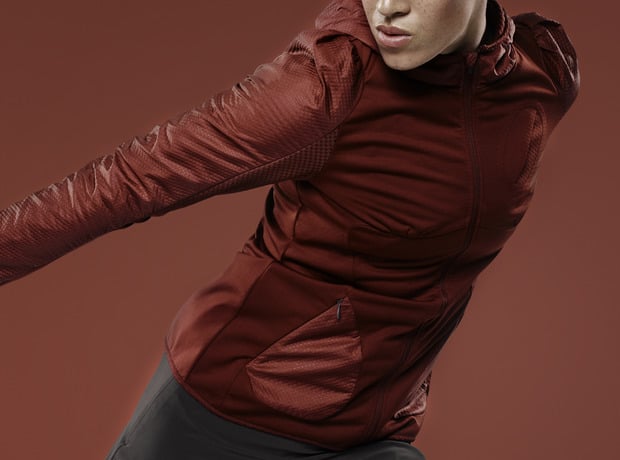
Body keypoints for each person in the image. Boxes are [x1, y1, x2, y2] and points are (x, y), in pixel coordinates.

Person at [0, 0, 580, 458]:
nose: (387, 7)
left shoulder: (545, 72)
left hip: (377, 433)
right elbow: (132, 179)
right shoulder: (327, 87)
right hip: (225, 419)